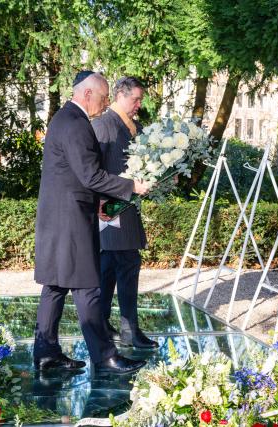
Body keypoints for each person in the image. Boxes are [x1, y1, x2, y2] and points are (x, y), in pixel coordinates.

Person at [33, 71, 150, 375]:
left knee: (55, 287)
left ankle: (46, 353)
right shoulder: (76, 124)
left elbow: (78, 174)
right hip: (71, 221)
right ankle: (105, 357)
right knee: (87, 288)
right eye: (103, 95)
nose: (106, 101)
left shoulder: (64, 119)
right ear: (87, 94)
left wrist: (106, 197)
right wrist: (131, 187)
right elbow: (90, 175)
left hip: (58, 218)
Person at [93, 76, 158, 349]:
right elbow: (93, 172)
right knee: (125, 265)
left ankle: (104, 325)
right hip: (109, 206)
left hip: (128, 206)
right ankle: (127, 330)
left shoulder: (137, 128)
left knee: (112, 267)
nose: (139, 105)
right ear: (120, 95)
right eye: (136, 99)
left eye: (141, 100)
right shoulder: (102, 125)